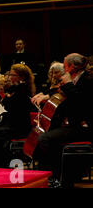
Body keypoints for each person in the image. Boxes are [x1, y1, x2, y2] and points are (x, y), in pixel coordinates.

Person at [32, 53, 93, 187]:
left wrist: (69, 84)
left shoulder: (88, 79)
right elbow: (65, 100)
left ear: (71, 66)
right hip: (74, 125)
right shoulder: (74, 80)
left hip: (86, 127)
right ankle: (54, 177)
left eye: (65, 66)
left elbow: (80, 103)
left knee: (45, 139)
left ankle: (56, 178)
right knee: (45, 137)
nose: (64, 70)